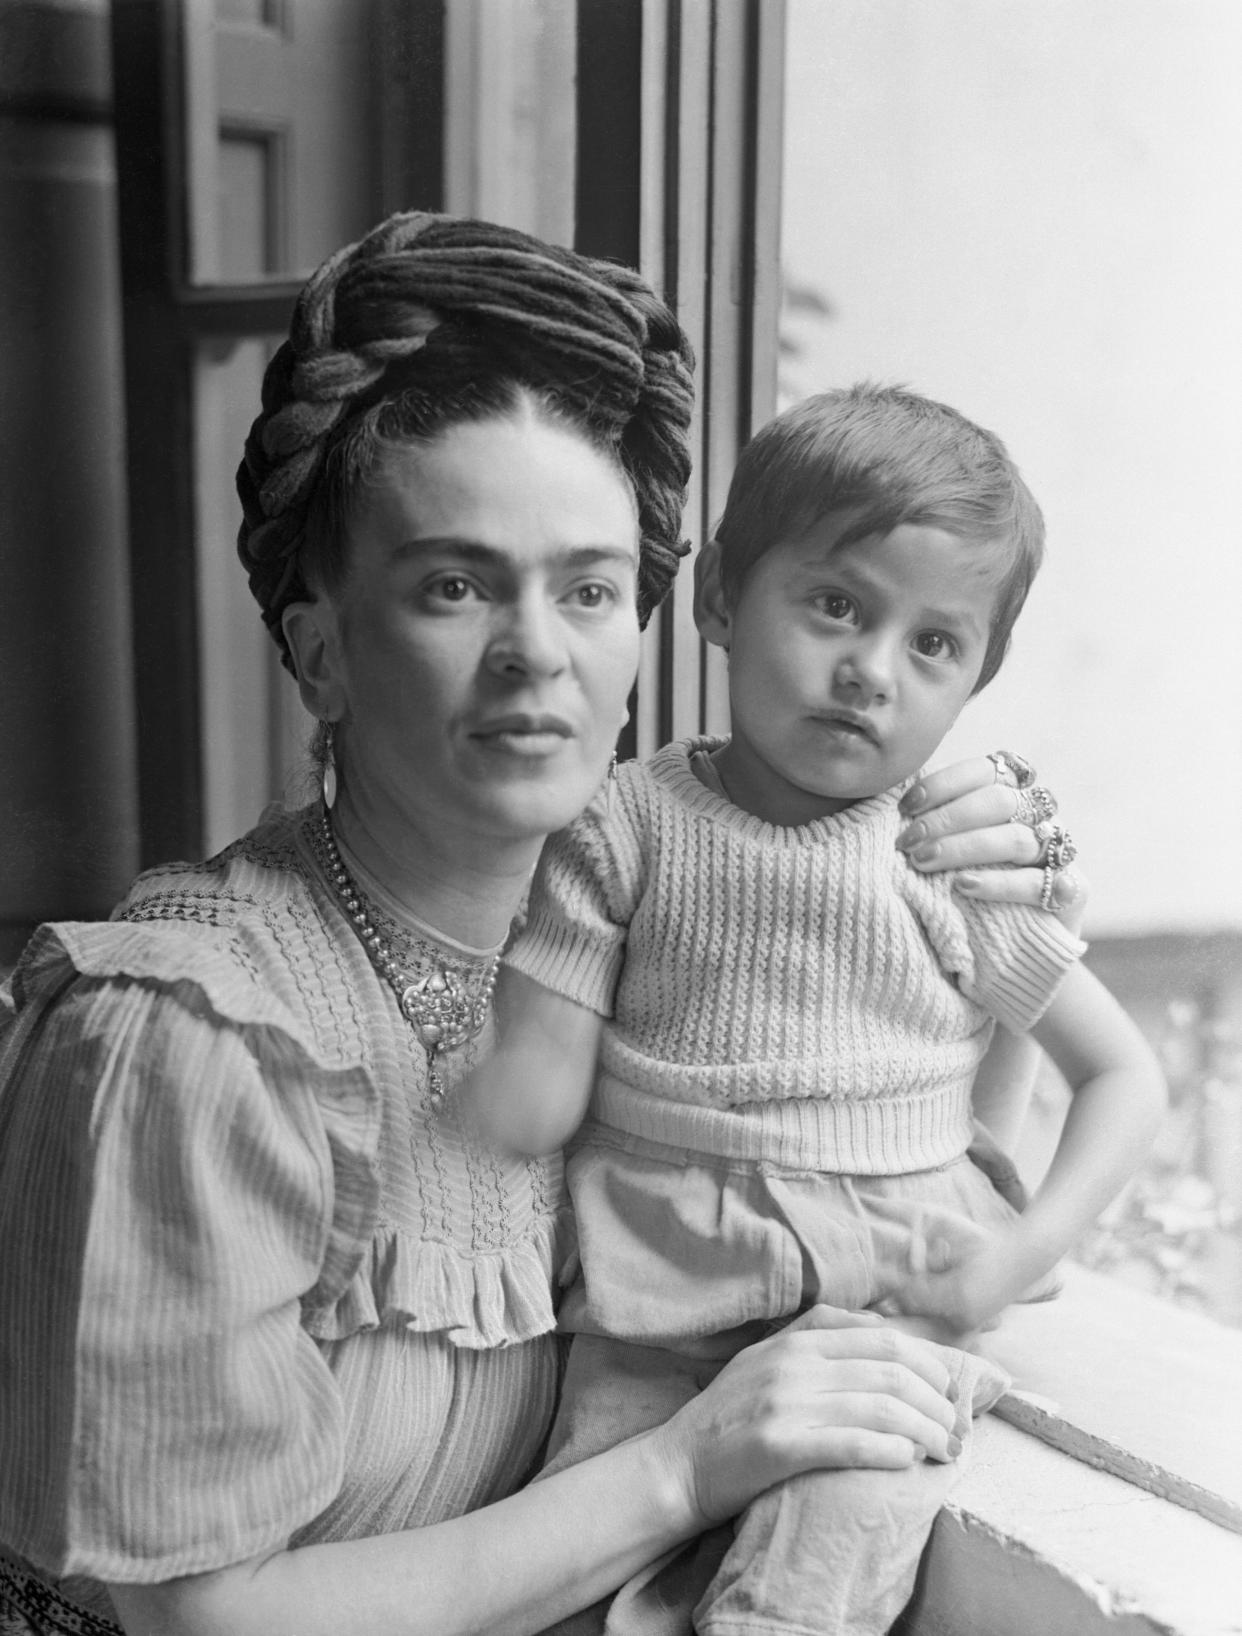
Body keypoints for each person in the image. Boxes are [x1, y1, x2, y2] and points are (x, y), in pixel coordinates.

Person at [0, 215, 1079, 1636]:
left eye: (585, 588)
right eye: (454, 584)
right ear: (320, 648)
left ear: (642, 632)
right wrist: (691, 1459)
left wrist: (990, 908)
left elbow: (933, 1184)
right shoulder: (191, 1042)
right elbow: (205, 1623)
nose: (536, 653)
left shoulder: (667, 952)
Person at [466, 385, 1168, 1635]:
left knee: (822, 1561)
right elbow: (530, 1094)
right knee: (576, 1548)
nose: (869, 670)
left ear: (973, 682)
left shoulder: (952, 863)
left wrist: (1015, 1254)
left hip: (892, 1299)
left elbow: (1124, 1076)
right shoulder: (624, 829)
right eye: (836, 604)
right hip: (659, 1294)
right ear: (724, 596)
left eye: (931, 645)